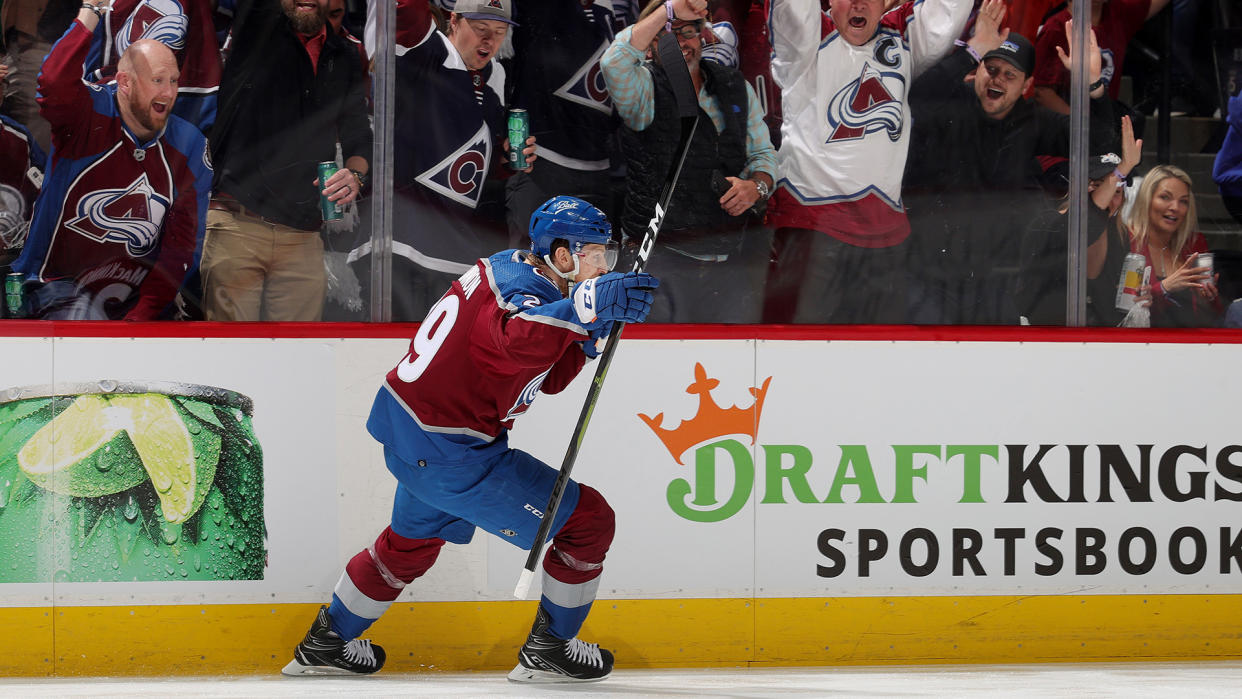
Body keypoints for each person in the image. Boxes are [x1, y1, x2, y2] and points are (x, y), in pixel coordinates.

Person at [282, 196, 659, 682]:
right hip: (452, 452)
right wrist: (586, 307)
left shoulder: (512, 271)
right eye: (595, 254)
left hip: (415, 437)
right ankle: (551, 648)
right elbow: (515, 339)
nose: (603, 265)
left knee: (409, 545)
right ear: (563, 256)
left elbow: (541, 374)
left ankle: (327, 641)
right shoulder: (521, 296)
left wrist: (585, 334)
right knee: (588, 523)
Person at [903, 7, 1117, 324]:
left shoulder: (1031, 120)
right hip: (929, 272)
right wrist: (972, 49)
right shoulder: (955, 101)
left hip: (991, 279)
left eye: (1010, 75)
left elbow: (1099, 142)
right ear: (978, 69)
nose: (997, 79)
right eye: (991, 68)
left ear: (1026, 85)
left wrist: (1093, 84)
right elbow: (915, 100)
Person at [762, 0, 971, 324]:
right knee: (794, 357)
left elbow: (948, 10)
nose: (859, 3)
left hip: (885, 235)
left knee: (877, 361)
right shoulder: (807, 39)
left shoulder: (901, 36)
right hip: (811, 230)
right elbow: (792, 9)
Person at [9, 9, 212, 320]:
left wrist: (141, 317)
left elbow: (182, 249)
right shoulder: (88, 113)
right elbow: (51, 81)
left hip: (133, 297)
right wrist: (90, 10)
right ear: (125, 83)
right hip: (54, 286)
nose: (169, 92)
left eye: (173, 80)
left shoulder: (190, 146)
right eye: (157, 80)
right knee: (83, 316)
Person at [348, 0, 536, 322]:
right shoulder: (425, 48)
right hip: (401, 245)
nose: (489, 41)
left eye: (499, 33)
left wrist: (505, 159)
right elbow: (405, 9)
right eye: (480, 30)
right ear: (454, 21)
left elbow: (469, 161)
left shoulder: (496, 76)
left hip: (454, 254)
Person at [601, 0, 776, 323]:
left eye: (689, 32)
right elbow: (613, 63)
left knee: (726, 369)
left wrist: (757, 187)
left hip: (729, 263)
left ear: (703, 36)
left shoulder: (735, 86)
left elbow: (763, 157)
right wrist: (668, 10)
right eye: (669, 33)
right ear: (652, 45)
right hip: (658, 259)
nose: (682, 41)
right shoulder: (644, 88)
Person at [204, 0, 371, 322]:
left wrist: (354, 175)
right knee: (228, 363)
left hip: (304, 238)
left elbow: (359, 136)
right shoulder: (258, 27)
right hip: (239, 226)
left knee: (298, 363)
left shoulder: (345, 55)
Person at [503, 0, 635, 250]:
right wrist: (502, 130)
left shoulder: (607, 12)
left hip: (598, 174)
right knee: (530, 276)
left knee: (590, 278)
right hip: (543, 167)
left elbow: (612, 94)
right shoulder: (541, 9)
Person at [1016, 115, 1141, 326]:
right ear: (1075, 185)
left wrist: (1141, 298)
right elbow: (1080, 226)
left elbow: (1115, 305)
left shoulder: (1119, 235)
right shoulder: (1046, 224)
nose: (1109, 195)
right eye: (1099, 185)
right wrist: (1121, 171)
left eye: (1117, 190)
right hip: (1046, 342)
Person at [1113, 164, 1223, 327]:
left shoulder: (1194, 243)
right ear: (1147, 199)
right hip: (1143, 345)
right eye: (1165, 197)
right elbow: (1120, 310)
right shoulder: (1124, 240)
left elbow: (1213, 319)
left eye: (1183, 201)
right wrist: (1165, 287)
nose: (1175, 208)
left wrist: (1208, 300)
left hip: (1191, 345)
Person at [1031, 0, 1170, 115]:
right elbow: (1041, 91)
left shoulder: (1117, 14)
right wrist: (1082, 126)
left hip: (1103, 124)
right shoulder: (1055, 28)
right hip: (1065, 132)